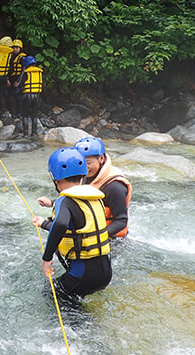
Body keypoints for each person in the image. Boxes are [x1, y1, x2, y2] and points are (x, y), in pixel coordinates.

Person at [32, 148, 112, 304]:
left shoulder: (64, 201)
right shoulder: (94, 198)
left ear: (56, 180)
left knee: (51, 295)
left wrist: (47, 259)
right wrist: (44, 223)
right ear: (83, 176)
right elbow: (75, 229)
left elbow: (61, 224)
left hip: (82, 274)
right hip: (105, 272)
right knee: (76, 296)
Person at [37, 137, 132, 239]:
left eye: (88, 163)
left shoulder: (114, 187)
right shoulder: (85, 175)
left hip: (112, 240)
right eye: (81, 163)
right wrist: (52, 203)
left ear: (101, 159)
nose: (84, 167)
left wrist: (96, 237)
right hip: (89, 234)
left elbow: (121, 221)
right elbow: (79, 200)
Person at [17, 55, 43, 136]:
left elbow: (20, 85)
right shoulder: (39, 72)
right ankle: (34, 133)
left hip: (27, 95)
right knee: (34, 116)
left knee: (25, 115)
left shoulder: (26, 72)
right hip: (37, 96)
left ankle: (25, 133)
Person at [7, 39, 26, 119]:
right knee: (11, 96)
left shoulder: (22, 58)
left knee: (18, 96)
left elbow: (23, 71)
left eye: (17, 48)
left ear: (20, 49)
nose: (15, 49)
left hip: (19, 80)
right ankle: (14, 113)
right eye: (14, 47)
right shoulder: (11, 57)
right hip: (12, 79)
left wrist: (18, 81)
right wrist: (7, 79)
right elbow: (9, 70)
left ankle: (19, 113)